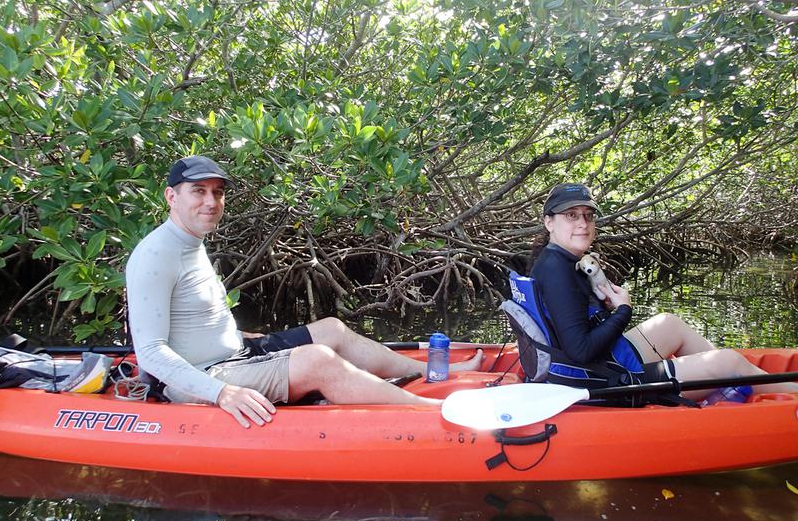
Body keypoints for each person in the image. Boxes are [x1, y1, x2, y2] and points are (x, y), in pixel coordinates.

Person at [125, 155, 482, 428]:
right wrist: (222, 393)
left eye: (217, 193)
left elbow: (194, 320)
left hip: (234, 354)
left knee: (332, 330)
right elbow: (150, 352)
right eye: (198, 192)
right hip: (202, 379)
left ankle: (435, 374)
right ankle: (434, 412)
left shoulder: (191, 240)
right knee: (318, 360)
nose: (211, 202)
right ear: (172, 196)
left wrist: (237, 337)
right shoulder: (155, 255)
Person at [529, 182, 798, 399]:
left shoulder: (556, 259)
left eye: (588, 216)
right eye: (571, 216)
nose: (583, 224)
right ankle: (757, 385)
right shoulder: (558, 271)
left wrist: (607, 308)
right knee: (728, 361)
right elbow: (582, 351)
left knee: (670, 324)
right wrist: (623, 310)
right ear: (549, 222)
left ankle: (726, 383)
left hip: (596, 364)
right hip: (601, 380)